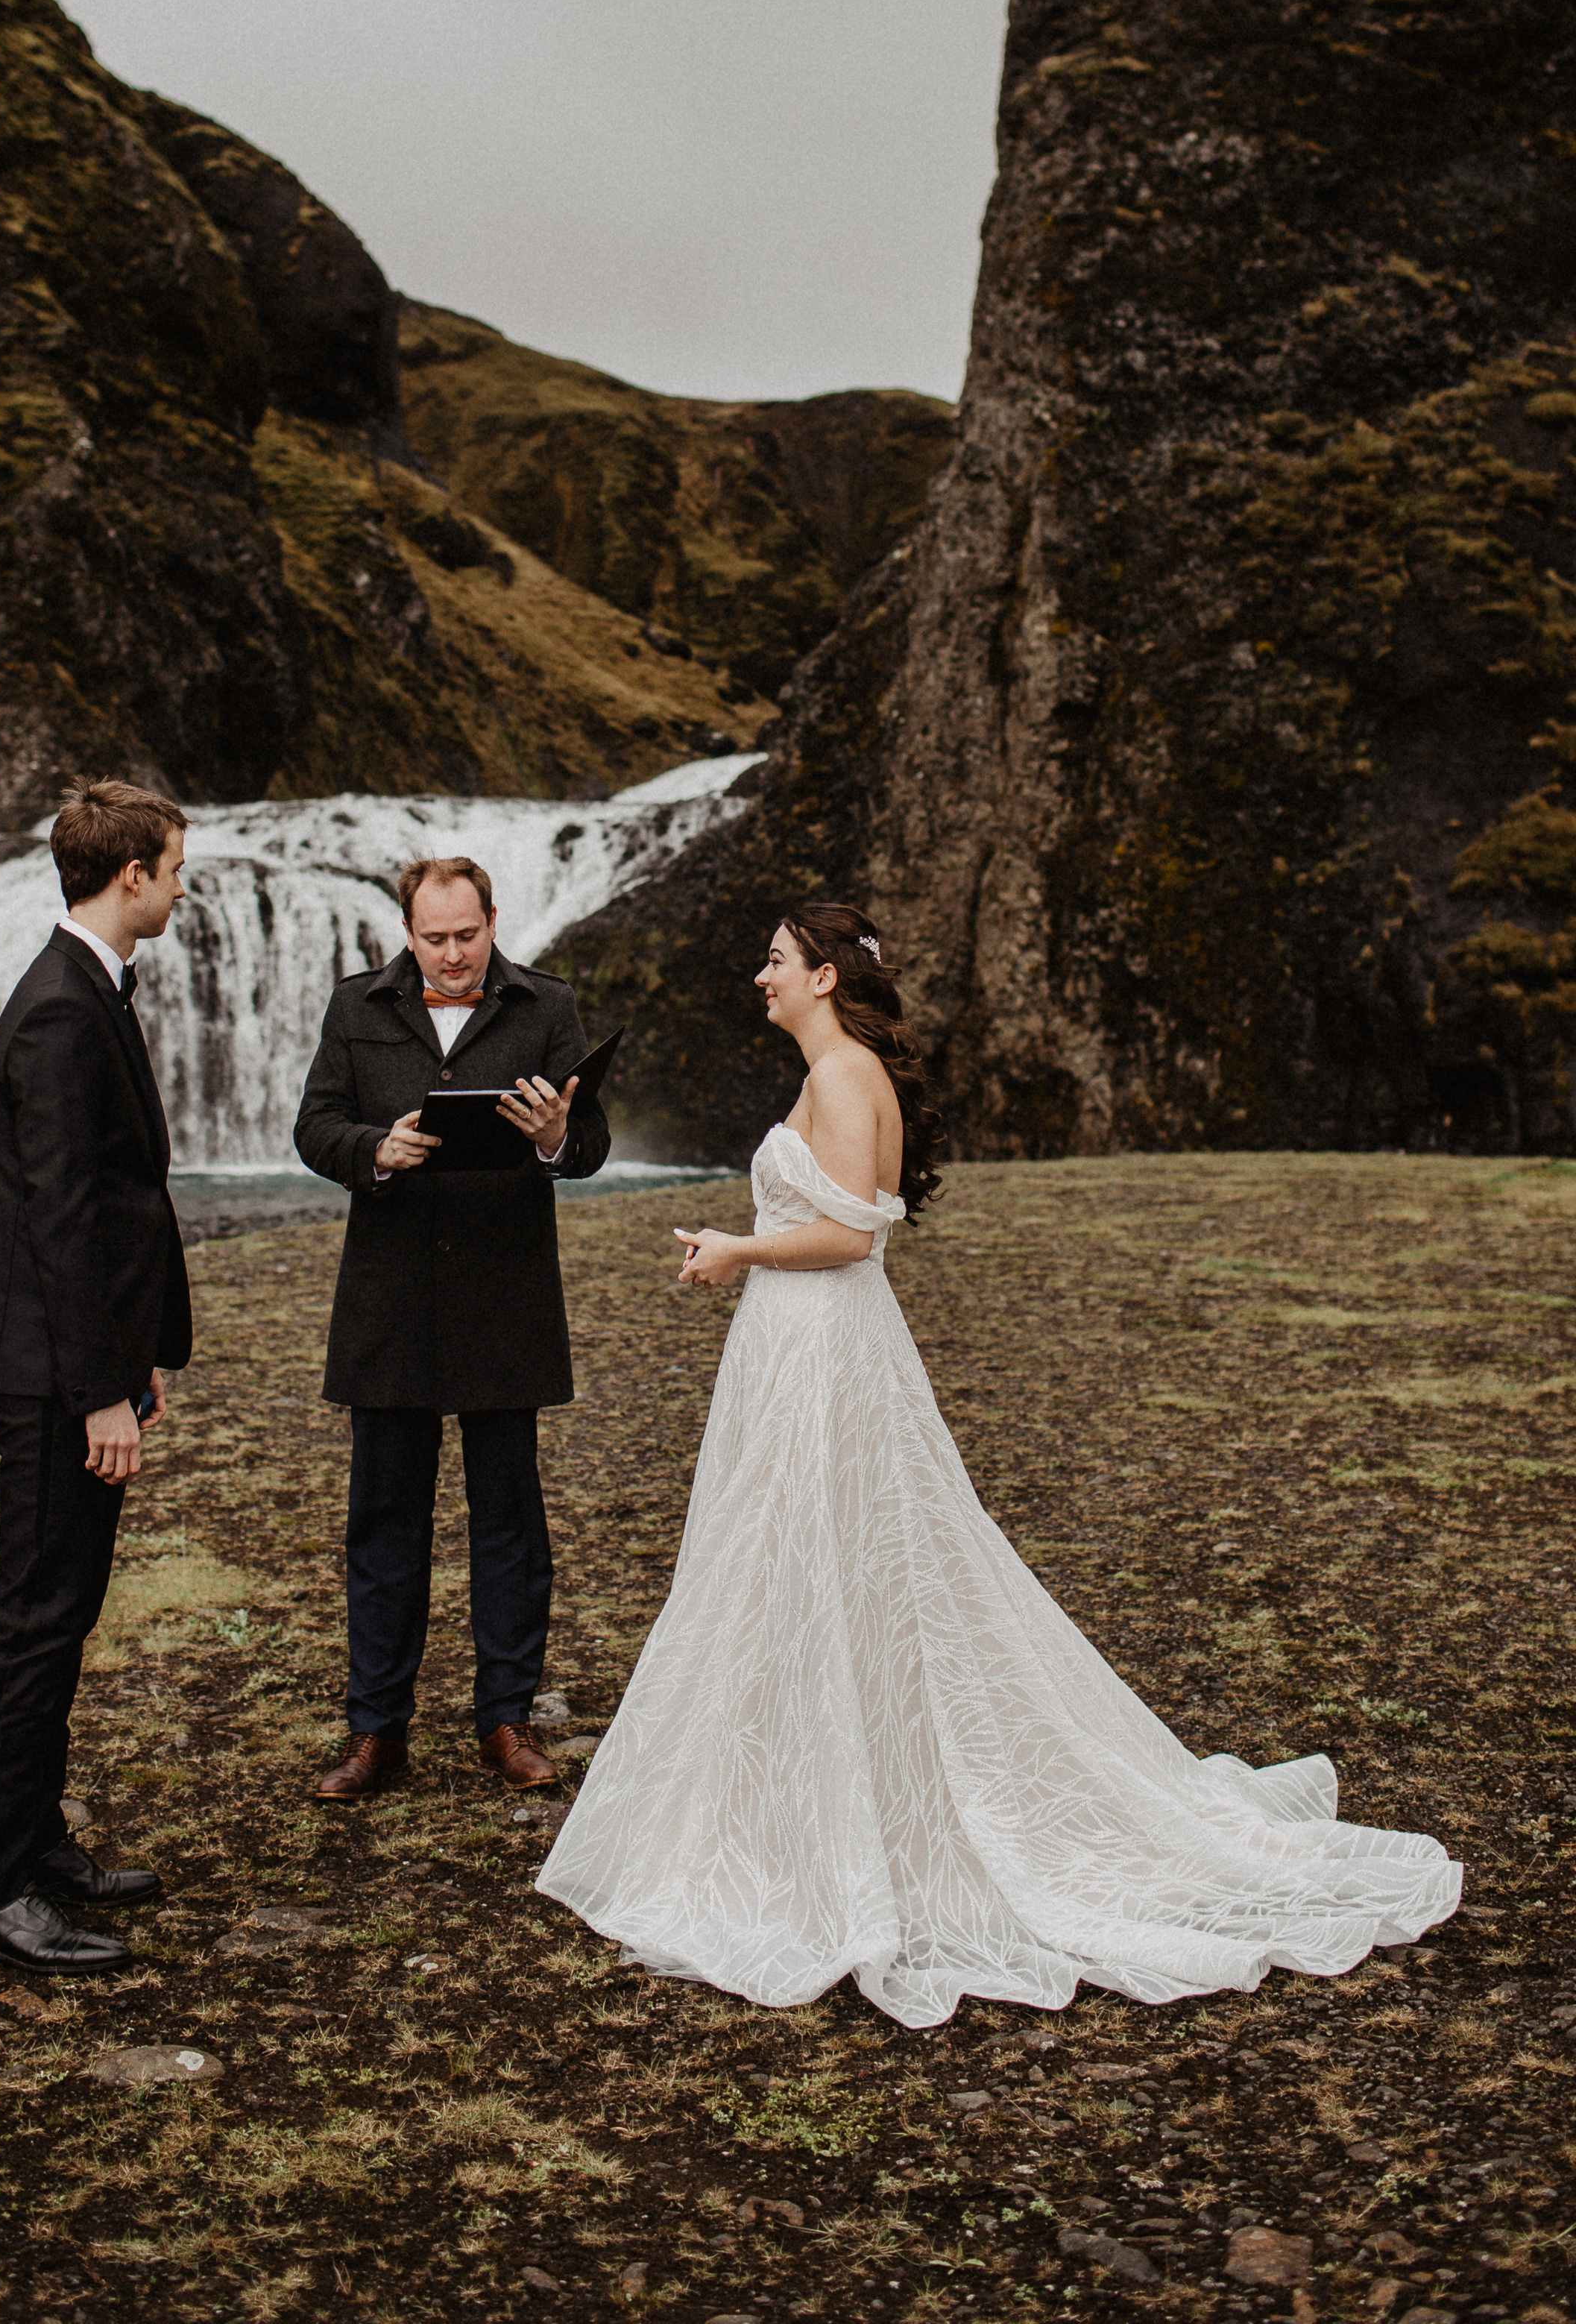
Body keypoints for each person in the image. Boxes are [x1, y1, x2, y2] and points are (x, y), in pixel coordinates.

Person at [537, 901, 1460, 2027]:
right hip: (809, 1347)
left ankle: (833, 1834)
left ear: (826, 976)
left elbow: (852, 1235)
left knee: (823, 1559)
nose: (758, 977)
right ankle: (799, 1804)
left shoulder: (840, 1077)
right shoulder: (846, 1065)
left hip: (821, 1343)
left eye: (776, 962)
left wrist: (737, 1248)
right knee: (807, 1564)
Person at [294, 854, 611, 1802]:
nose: (453, 954)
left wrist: (555, 1133)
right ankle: (374, 1731)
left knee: (509, 1521)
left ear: (492, 921)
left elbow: (588, 1146)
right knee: (382, 1525)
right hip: (388, 1302)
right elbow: (313, 1127)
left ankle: (505, 1721)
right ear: (407, 930)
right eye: (433, 938)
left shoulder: (547, 1006)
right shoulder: (356, 1007)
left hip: (505, 1297)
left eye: (467, 935)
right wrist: (373, 1149)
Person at [0, 777, 194, 1976]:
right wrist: (100, 1387)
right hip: (51, 1372)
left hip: (80, 1358)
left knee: (64, 1613)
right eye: (174, 864)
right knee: (36, 1621)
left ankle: (37, 1845)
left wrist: (135, 1358)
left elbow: (105, 1204)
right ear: (133, 875)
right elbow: (56, 1215)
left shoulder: (85, 987)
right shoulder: (59, 1007)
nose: (181, 883)